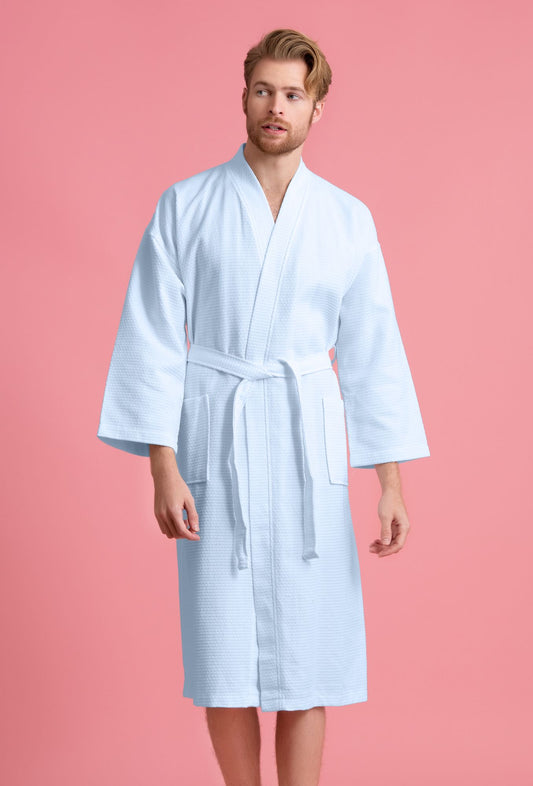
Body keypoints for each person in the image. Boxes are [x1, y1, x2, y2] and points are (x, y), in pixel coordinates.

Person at [97, 27, 430, 786]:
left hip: (306, 442)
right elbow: (152, 338)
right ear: (243, 97)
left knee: (307, 659)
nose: (275, 106)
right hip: (214, 441)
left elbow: (373, 351)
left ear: (316, 107)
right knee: (224, 658)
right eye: (262, 91)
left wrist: (390, 483)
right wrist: (162, 467)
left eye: (291, 94)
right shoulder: (186, 204)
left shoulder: (346, 218)